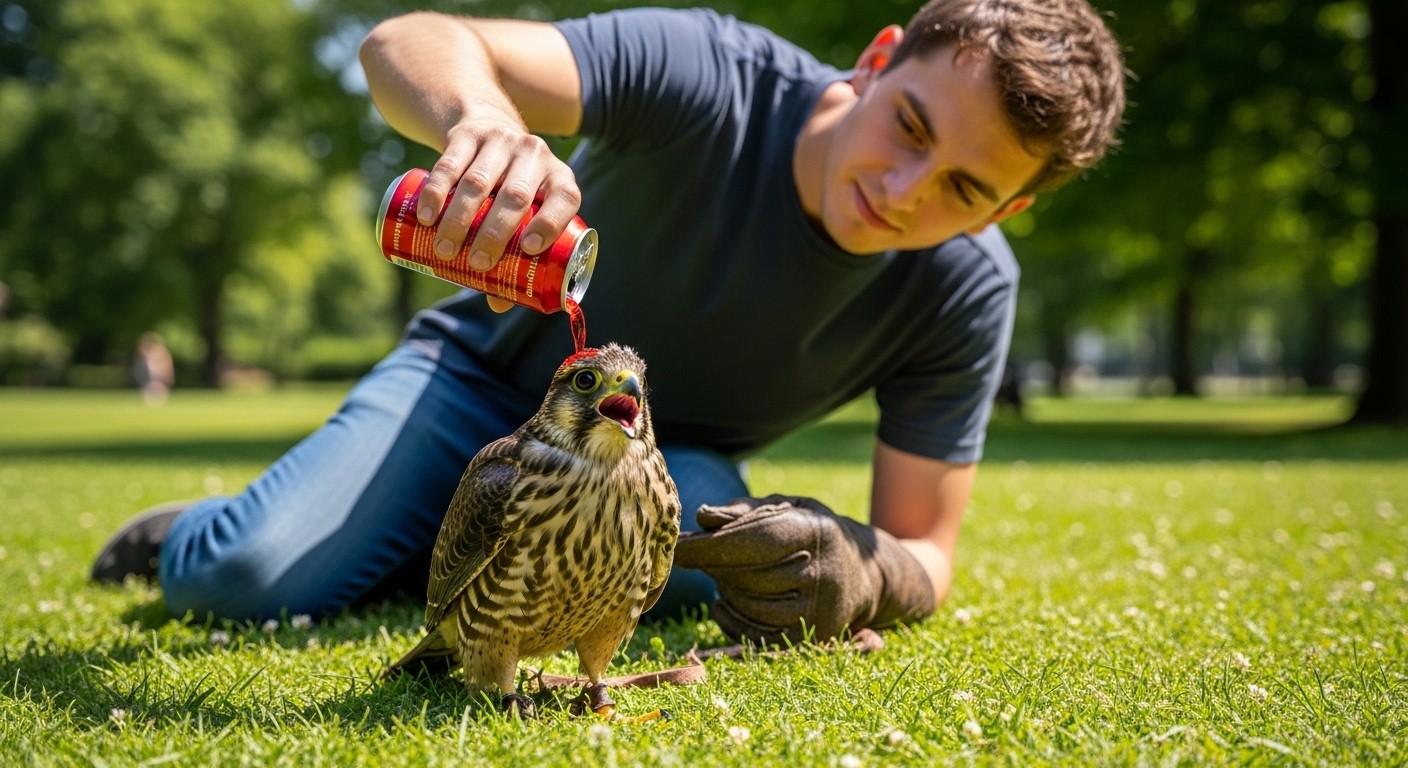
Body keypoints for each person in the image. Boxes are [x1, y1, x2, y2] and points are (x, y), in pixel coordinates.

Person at [92, 0, 1125, 644]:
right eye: (908, 123)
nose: (905, 189)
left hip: (660, 471)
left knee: (729, 555)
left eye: (964, 188)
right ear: (877, 56)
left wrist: (862, 566)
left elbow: (924, 550)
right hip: (470, 384)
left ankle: (414, 542)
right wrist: (485, 120)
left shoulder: (968, 287)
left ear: (1006, 210)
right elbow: (409, 40)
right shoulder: (708, 71)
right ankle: (202, 527)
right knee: (246, 581)